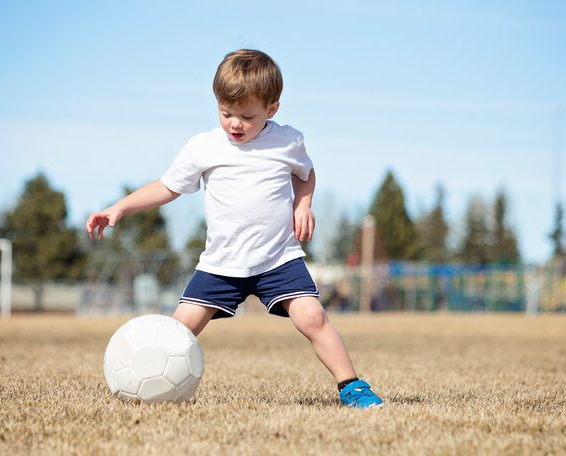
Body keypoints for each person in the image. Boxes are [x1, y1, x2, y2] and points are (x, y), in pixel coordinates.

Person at [86, 49, 382, 409]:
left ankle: (351, 386)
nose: (235, 124)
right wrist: (120, 207)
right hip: (221, 263)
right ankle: (148, 386)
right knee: (177, 330)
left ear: (271, 109)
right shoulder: (203, 147)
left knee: (313, 317)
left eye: (247, 115)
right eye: (226, 113)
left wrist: (303, 203)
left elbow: (306, 173)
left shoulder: (288, 141)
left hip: (278, 258)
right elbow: (168, 186)